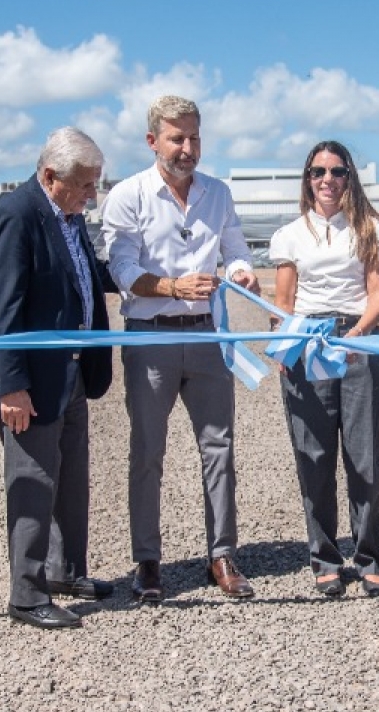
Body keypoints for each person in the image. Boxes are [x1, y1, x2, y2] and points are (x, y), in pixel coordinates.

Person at [101, 95, 261, 603]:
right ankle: (148, 562)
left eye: (194, 137)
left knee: (219, 448)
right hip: (151, 337)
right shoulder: (127, 196)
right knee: (148, 452)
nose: (188, 148)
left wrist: (241, 273)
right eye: (177, 138)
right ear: (153, 141)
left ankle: (222, 555)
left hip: (208, 336)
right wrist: (172, 288)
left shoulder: (218, 193)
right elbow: (121, 269)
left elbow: (235, 250)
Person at [0, 127, 114, 630]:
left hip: (70, 372)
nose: (92, 196)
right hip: (28, 383)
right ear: (51, 176)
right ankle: (26, 595)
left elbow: (83, 276)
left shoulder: (67, 216)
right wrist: (10, 384)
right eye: (85, 185)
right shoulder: (15, 217)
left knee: (71, 478)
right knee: (32, 482)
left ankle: (65, 572)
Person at [270, 140, 379, 597]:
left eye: (338, 171)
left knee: (365, 457)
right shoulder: (290, 235)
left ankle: (368, 555)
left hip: (360, 343)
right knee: (314, 457)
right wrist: (286, 351)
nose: (328, 180)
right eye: (318, 171)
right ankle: (325, 557)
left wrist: (357, 334)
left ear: (350, 177)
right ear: (307, 178)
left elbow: (377, 294)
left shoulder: (371, 229)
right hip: (307, 346)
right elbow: (284, 303)